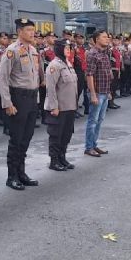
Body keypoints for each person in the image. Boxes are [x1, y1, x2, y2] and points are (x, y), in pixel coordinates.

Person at [0, 18, 44, 191]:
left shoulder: (33, 50)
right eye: (29, 30)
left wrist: (37, 99)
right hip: (18, 98)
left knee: (27, 137)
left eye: (33, 30)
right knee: (16, 139)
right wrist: (7, 103)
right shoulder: (12, 51)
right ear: (19, 32)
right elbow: (2, 78)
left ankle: (21, 172)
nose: (33, 33)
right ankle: (12, 176)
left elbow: (35, 77)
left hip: (32, 98)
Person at [44, 40, 78, 171]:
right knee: (56, 135)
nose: (68, 50)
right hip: (59, 107)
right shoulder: (54, 65)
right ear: (58, 49)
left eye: (69, 47)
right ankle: (54, 160)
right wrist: (54, 107)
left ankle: (62, 157)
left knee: (66, 134)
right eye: (65, 48)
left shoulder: (68, 63)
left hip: (70, 106)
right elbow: (51, 88)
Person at [84, 30, 113, 157]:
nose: (107, 39)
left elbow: (106, 74)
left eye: (108, 37)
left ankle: (94, 145)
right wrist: (93, 94)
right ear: (96, 39)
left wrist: (109, 92)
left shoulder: (105, 53)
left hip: (105, 91)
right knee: (93, 121)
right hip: (97, 93)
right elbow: (89, 75)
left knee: (99, 120)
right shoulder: (92, 54)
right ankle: (89, 147)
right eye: (104, 37)